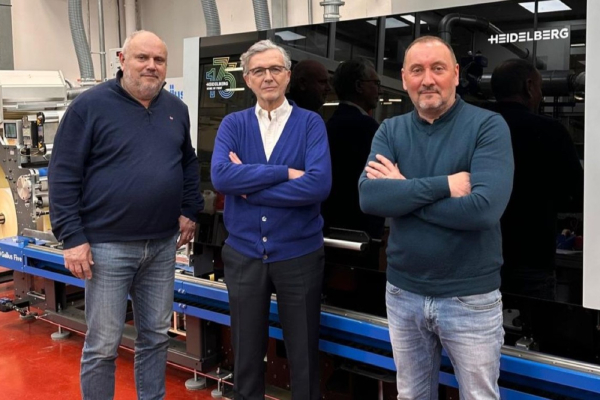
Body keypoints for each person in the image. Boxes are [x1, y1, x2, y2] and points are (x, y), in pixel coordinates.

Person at [48, 30, 203, 400]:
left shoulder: (176, 109)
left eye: (159, 60)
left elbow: (187, 162)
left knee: (156, 338)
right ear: (121, 59)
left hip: (162, 245)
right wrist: (72, 237)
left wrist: (189, 209)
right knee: (103, 345)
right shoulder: (89, 107)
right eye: (142, 58)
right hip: (107, 247)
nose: (151, 66)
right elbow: (63, 173)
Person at [358, 36, 513, 399]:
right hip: (403, 293)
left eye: (437, 68)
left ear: (455, 74)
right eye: (417, 70)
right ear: (404, 78)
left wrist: (403, 191)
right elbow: (370, 197)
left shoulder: (488, 127)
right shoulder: (390, 130)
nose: (427, 79)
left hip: (470, 298)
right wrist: (445, 185)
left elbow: (483, 210)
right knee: (411, 395)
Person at [211, 40, 331, 400]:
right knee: (245, 351)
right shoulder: (233, 124)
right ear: (247, 79)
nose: (268, 77)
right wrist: (284, 173)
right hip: (244, 253)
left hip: (299, 255)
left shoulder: (310, 124)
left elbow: (318, 185)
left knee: (304, 351)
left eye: (276, 69)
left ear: (288, 76)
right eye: (259, 71)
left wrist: (249, 187)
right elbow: (221, 177)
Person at [491, 59, 584, 300]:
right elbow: (576, 193)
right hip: (532, 258)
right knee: (533, 321)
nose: (541, 95)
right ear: (529, 86)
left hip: (479, 259)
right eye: (540, 87)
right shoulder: (550, 131)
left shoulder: (473, 128)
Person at [321, 58, 385, 239]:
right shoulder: (368, 129)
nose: (380, 90)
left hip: (331, 222)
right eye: (376, 83)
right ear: (359, 86)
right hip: (362, 227)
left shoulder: (328, 125)